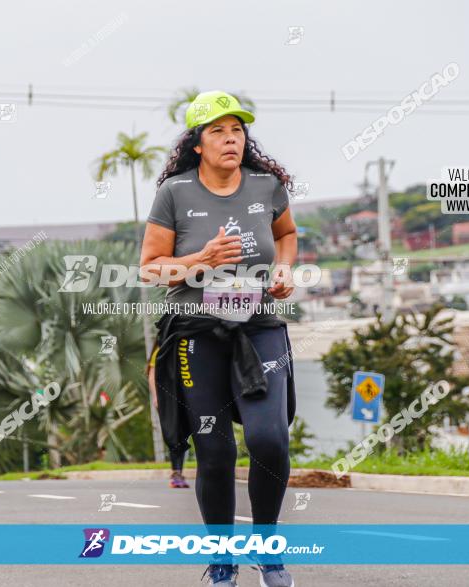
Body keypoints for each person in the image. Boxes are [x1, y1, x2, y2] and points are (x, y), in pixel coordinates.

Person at [140, 91, 298, 587]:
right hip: (196, 334)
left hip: (259, 327)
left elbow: (288, 233)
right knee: (214, 452)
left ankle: (267, 552)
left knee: (269, 440)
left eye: (237, 130)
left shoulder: (266, 186)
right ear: (197, 145)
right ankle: (222, 563)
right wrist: (200, 261)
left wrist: (285, 270)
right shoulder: (175, 194)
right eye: (218, 132)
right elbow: (150, 270)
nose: (231, 139)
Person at [147, 345, 190, 489]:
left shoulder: (184, 343)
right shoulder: (161, 346)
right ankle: (176, 473)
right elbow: (152, 374)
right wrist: (156, 396)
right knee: (173, 434)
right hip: (167, 399)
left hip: (187, 396)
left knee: (184, 435)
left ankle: (180, 472)